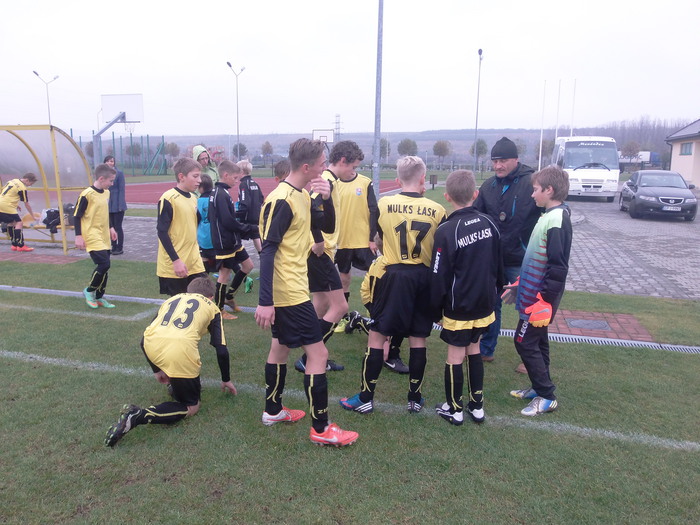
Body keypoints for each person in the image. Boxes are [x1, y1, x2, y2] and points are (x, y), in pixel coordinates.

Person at [256, 138, 358, 447]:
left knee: (280, 347)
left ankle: (273, 411)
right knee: (319, 354)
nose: (325, 167)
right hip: (288, 291)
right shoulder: (282, 200)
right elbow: (267, 252)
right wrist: (265, 301)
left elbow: (325, 226)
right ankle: (321, 428)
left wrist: (326, 198)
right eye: (322, 163)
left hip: (294, 286)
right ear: (306, 167)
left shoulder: (302, 194)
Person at [340, 156, 446, 414]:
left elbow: (378, 236)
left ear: (397, 180)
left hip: (394, 275)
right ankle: (415, 398)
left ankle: (366, 397)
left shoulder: (385, 204)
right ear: (423, 178)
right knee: (418, 339)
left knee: (377, 335)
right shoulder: (438, 210)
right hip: (423, 277)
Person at [104, 277, 237, 447]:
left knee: (176, 365)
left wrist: (156, 370)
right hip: (180, 350)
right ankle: (138, 416)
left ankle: (175, 386)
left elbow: (146, 337)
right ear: (211, 297)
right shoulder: (212, 308)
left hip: (150, 344)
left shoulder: (172, 300)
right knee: (192, 406)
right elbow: (221, 350)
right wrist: (226, 379)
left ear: (188, 292)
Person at [430, 170, 503, 425]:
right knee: (474, 348)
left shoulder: (446, 230)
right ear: (475, 194)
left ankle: (454, 409)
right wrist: (496, 291)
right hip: (484, 304)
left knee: (455, 355)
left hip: (459, 307)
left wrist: (435, 310)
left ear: (447, 197)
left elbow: (438, 275)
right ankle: (477, 407)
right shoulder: (490, 223)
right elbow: (499, 263)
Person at [504, 165, 572, 416]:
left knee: (523, 341)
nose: (532, 195)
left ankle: (547, 396)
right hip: (533, 293)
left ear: (549, 190)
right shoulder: (549, 215)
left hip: (539, 299)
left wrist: (545, 300)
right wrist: (520, 282)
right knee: (538, 341)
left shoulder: (557, 219)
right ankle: (539, 387)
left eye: (535, 190)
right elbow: (537, 257)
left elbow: (558, 266)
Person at [473, 137, 540, 373]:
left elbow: (550, 207)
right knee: (491, 305)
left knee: (528, 308)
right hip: (493, 260)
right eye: (495, 161)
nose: (498, 166)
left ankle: (531, 358)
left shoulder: (531, 182)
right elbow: (476, 216)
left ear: (516, 160)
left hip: (522, 260)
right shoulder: (488, 186)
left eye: (503, 161)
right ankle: (486, 349)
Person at [294, 141, 361, 374]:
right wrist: (318, 240)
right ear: (342, 161)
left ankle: (310, 353)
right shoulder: (326, 181)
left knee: (321, 303)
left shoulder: (330, 180)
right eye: (353, 167)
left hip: (322, 252)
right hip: (318, 253)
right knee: (340, 306)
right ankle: (311, 356)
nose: (353, 172)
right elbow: (310, 208)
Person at [331, 141, 378, 333]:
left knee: (374, 277)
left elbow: (374, 211)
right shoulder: (333, 183)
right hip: (341, 242)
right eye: (353, 165)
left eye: (356, 167)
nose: (353, 170)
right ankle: (343, 318)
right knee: (344, 278)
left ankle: (375, 313)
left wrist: (372, 238)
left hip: (363, 241)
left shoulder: (365, 183)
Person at [209, 160, 258, 320]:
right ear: (226, 175)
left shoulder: (222, 192)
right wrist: (248, 228)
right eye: (235, 178)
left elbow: (227, 217)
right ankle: (219, 310)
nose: (237, 181)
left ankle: (229, 296)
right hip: (225, 243)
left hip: (233, 241)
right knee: (224, 274)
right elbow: (227, 221)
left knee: (248, 266)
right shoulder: (220, 194)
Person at [156, 158, 207, 296]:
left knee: (204, 296)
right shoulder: (169, 198)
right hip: (176, 263)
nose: (199, 180)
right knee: (180, 304)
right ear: (181, 177)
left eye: (199, 176)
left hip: (194, 262)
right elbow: (162, 232)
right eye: (195, 176)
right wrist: (176, 260)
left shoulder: (194, 198)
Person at [74, 164, 118, 308]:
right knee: (104, 264)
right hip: (91, 234)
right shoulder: (87, 194)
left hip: (104, 234)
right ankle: (89, 291)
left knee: (105, 267)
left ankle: (99, 297)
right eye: (111, 181)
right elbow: (76, 216)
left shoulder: (106, 193)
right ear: (101, 178)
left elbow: (105, 212)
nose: (112, 184)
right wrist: (78, 236)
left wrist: (111, 227)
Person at [0, 172, 37, 252]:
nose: (30, 185)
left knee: (11, 222)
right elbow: (26, 204)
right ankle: (21, 245)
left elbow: (6, 193)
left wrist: (16, 205)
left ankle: (14, 245)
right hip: (7, 205)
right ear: (27, 180)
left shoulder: (12, 181)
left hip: (1, 203)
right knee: (19, 223)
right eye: (31, 183)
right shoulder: (22, 188)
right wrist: (33, 216)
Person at [236, 159, 265, 254]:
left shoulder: (243, 184)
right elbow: (261, 198)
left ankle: (237, 255)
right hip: (256, 216)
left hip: (247, 218)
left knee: (236, 234)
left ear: (242, 172)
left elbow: (244, 202)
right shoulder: (255, 183)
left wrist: (237, 215)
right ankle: (262, 255)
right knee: (256, 237)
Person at [104, 155, 127, 255]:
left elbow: (122, 190)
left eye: (112, 161)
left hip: (117, 203)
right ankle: (113, 246)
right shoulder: (103, 174)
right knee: (110, 226)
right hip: (108, 203)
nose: (110, 163)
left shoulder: (119, 173)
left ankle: (119, 247)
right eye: (108, 161)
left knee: (118, 227)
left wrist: (121, 205)